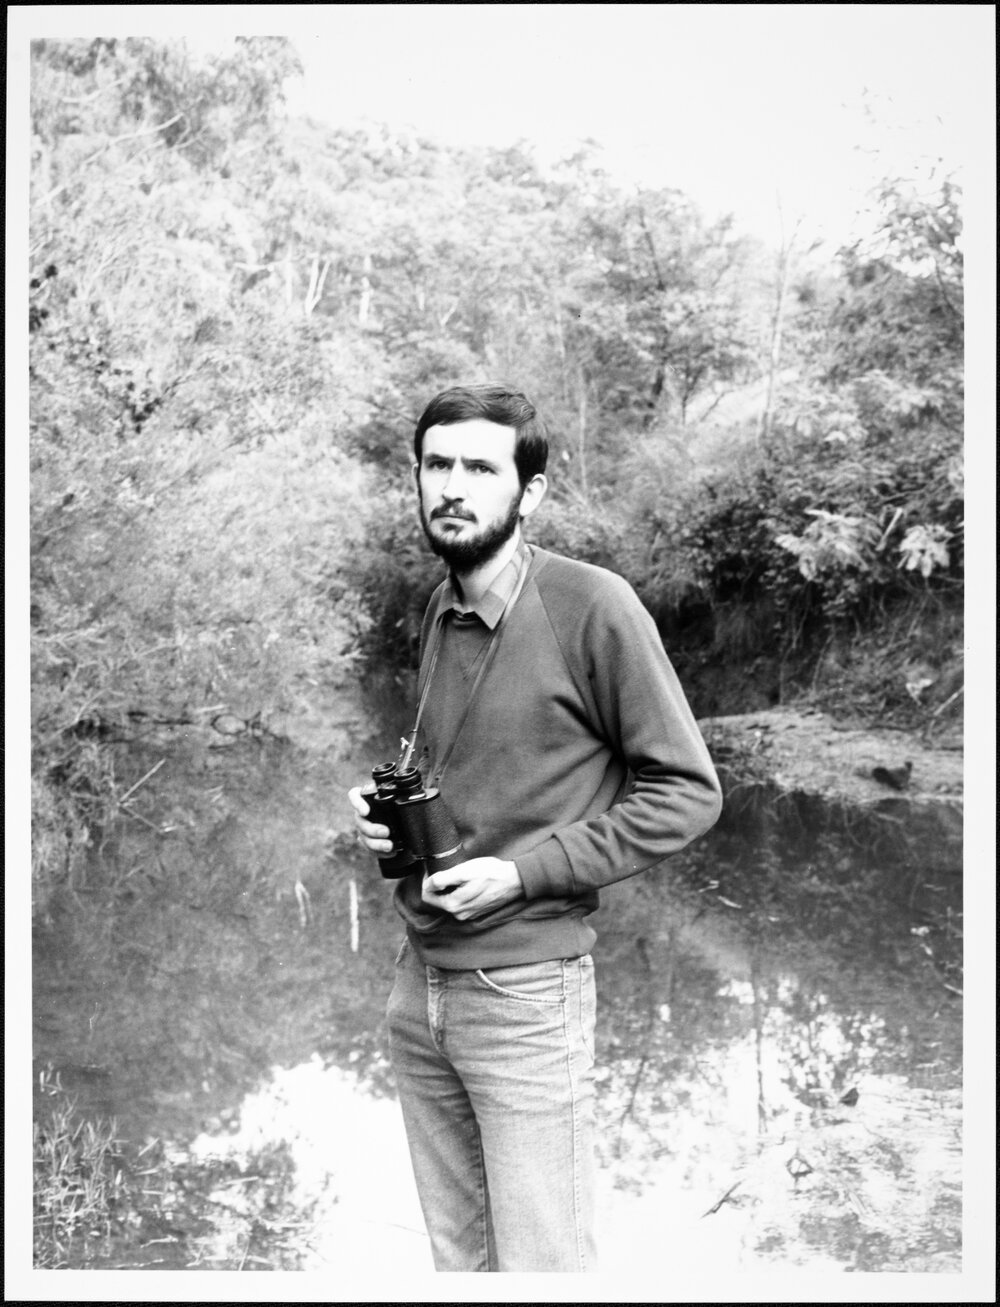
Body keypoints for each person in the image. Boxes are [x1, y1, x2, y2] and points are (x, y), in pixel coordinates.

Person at [347, 385, 722, 1272]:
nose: (454, 485)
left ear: (532, 491)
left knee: (544, 1270)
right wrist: (390, 823)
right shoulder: (439, 606)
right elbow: (468, 768)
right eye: (438, 464)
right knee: (460, 1264)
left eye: (481, 467)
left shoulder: (594, 606)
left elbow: (687, 790)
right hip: (418, 987)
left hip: (525, 997)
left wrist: (522, 874)